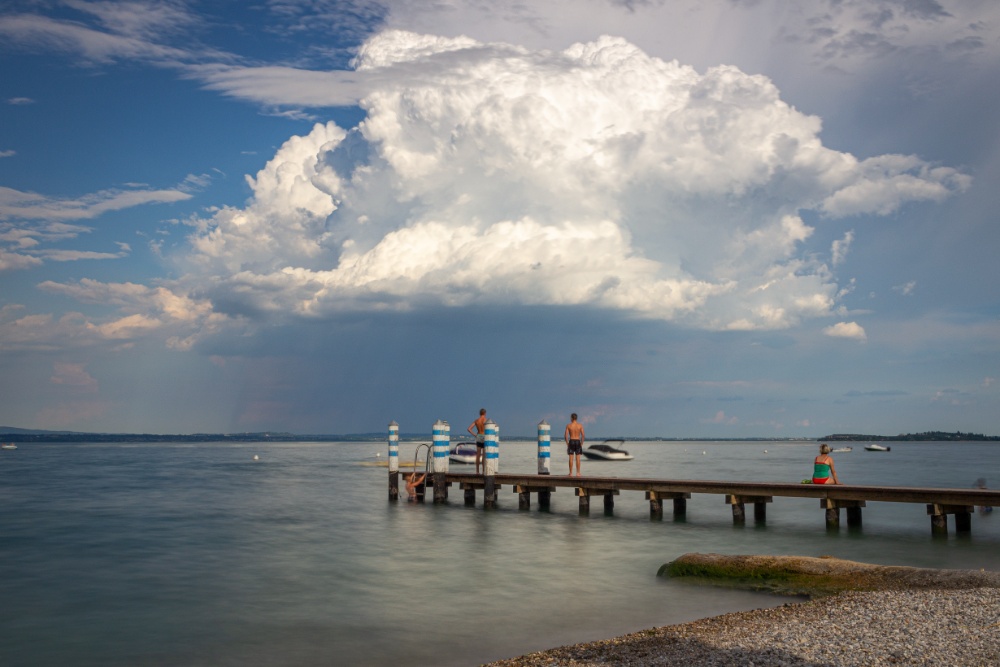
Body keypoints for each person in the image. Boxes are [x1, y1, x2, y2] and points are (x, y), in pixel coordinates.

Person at [467, 408, 487, 474]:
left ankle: (477, 471)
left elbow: (469, 429)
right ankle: (483, 471)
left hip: (478, 436)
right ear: (485, 413)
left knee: (478, 455)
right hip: (484, 437)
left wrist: (475, 435)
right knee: (484, 455)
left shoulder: (477, 421)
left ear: (480, 413)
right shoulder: (486, 421)